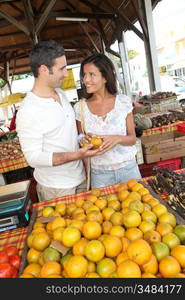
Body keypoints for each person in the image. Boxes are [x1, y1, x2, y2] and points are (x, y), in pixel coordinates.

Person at [16, 40, 105, 202]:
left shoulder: (61, 94)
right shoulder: (28, 110)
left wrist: (82, 139)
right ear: (44, 70)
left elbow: (69, 134)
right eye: (62, 69)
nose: (66, 74)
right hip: (56, 188)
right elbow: (33, 158)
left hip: (80, 179)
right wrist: (75, 155)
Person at [74, 53, 141, 189]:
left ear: (105, 77)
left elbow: (132, 139)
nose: (86, 79)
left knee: (139, 208)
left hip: (128, 169)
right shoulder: (80, 107)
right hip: (99, 174)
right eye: (84, 74)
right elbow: (80, 137)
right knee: (103, 210)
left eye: (92, 74)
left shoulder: (123, 102)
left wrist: (118, 139)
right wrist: (84, 140)